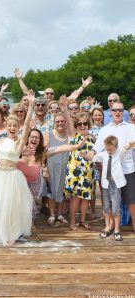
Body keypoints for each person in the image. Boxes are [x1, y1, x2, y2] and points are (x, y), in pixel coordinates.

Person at [0, 91, 35, 245]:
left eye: (15, 125)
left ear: (18, 127)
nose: (12, 127)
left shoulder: (20, 141)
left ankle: (11, 233)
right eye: (9, 125)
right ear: (7, 126)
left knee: (10, 207)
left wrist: (30, 105)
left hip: (12, 177)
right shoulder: (1, 140)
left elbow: (27, 125)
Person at [91, 101, 135, 232]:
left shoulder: (131, 128)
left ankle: (134, 222)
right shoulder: (105, 129)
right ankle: (109, 225)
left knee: (131, 199)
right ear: (110, 112)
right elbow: (98, 146)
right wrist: (91, 152)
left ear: (124, 112)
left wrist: (129, 145)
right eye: (115, 110)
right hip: (110, 171)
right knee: (109, 200)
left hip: (127, 168)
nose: (118, 112)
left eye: (120, 110)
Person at [84, 136, 135, 241]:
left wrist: (130, 144)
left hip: (116, 184)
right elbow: (93, 158)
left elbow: (126, 147)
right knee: (106, 207)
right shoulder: (103, 154)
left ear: (116, 147)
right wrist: (85, 155)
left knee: (115, 208)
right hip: (106, 184)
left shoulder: (119, 152)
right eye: (107, 149)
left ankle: (116, 230)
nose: (109, 151)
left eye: (111, 149)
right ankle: (107, 227)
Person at [62, 97, 95, 231]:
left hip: (88, 171)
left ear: (88, 124)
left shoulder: (93, 137)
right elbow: (69, 120)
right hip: (75, 172)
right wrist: (64, 108)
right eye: (80, 124)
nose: (82, 126)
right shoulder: (73, 135)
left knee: (86, 197)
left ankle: (82, 221)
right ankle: (72, 221)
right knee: (76, 198)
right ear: (76, 126)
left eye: (85, 123)